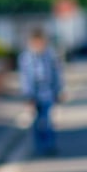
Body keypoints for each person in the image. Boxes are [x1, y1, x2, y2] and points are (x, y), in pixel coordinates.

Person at [18, 27, 63, 156]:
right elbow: (24, 77)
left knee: (48, 120)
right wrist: (27, 95)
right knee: (37, 121)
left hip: (47, 92)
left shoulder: (50, 55)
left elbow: (56, 74)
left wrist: (58, 89)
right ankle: (38, 146)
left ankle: (49, 145)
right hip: (33, 93)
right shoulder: (26, 57)